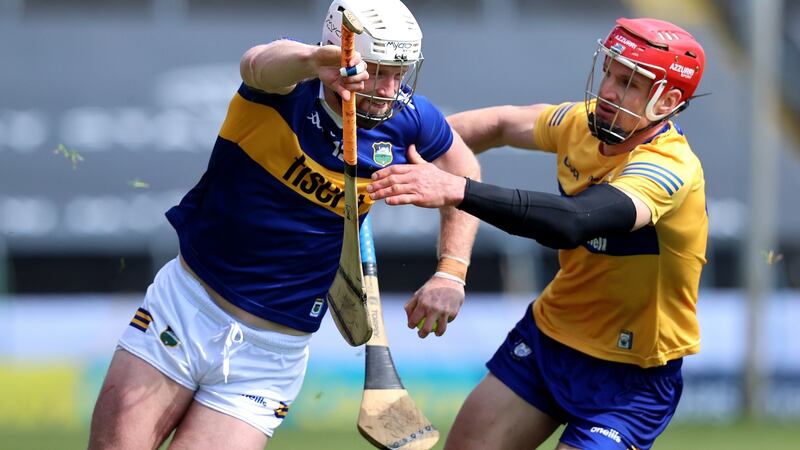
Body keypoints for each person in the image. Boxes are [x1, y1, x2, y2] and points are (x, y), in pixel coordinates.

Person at [88, 0, 479, 448]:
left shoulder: (410, 118)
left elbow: (463, 173)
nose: (390, 89)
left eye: (400, 72)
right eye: (378, 71)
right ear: (342, 53)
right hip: (186, 309)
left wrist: (452, 270)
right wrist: (316, 62)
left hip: (272, 356)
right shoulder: (287, 85)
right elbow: (255, 64)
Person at [368, 17, 707, 450]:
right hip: (548, 341)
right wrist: (393, 141)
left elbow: (573, 221)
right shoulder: (579, 123)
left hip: (631, 379)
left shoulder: (668, 167)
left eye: (629, 84)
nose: (607, 91)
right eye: (609, 72)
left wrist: (456, 188)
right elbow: (501, 123)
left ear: (668, 100)